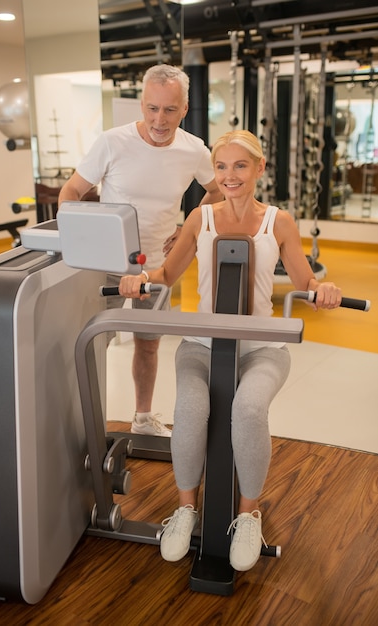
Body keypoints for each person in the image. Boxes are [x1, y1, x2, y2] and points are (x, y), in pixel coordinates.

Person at [118, 129, 342, 572]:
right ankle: (186, 509)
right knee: (189, 410)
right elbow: (166, 272)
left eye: (240, 166)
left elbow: (303, 281)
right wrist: (138, 279)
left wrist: (323, 287)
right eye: (222, 167)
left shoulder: (277, 222)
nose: (229, 176)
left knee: (249, 410)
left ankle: (247, 515)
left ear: (259, 168)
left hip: (261, 348)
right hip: (203, 344)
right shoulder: (200, 219)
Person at [58, 64, 222, 437]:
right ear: (142, 105)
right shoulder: (112, 142)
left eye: (168, 110)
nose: (159, 120)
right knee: (91, 345)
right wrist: (80, 241)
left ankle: (143, 417)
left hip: (160, 266)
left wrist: (188, 227)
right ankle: (82, 423)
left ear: (185, 108)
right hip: (106, 265)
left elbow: (215, 192)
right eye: (151, 108)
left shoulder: (194, 149)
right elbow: (71, 192)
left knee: (148, 345)